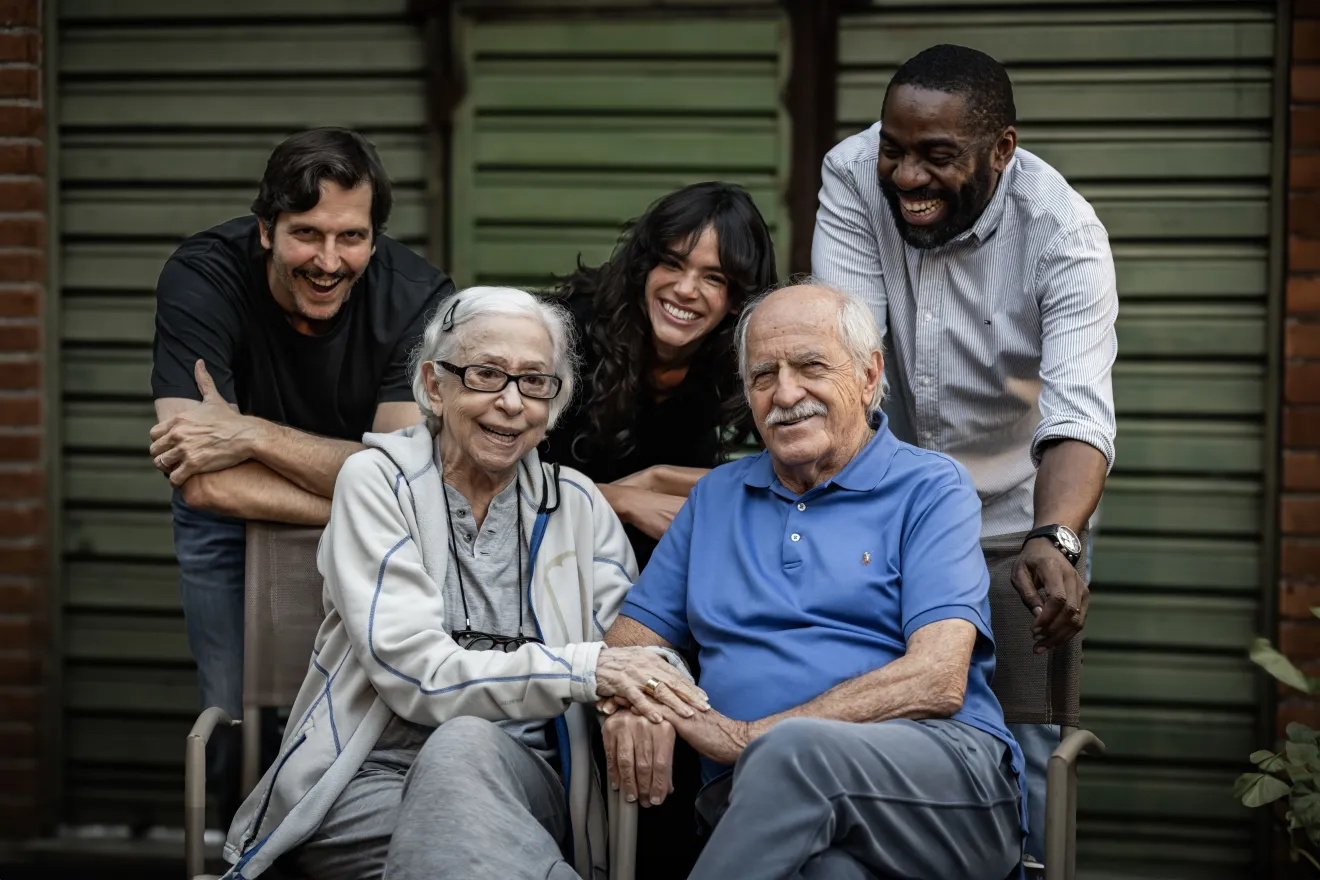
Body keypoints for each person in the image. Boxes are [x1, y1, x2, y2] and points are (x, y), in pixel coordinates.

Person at [220, 287, 709, 880]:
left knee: (467, 753)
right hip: (365, 785)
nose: (511, 402)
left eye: (535, 382)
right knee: (467, 826)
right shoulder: (376, 484)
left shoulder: (577, 505)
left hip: (521, 779)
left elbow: (638, 645)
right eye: (485, 375)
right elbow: (414, 672)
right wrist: (587, 671)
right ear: (434, 385)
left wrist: (645, 698)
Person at [599, 282, 1024, 880]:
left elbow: (938, 678)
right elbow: (628, 645)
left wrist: (747, 737)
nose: (785, 393)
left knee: (791, 754)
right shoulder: (718, 496)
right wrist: (634, 701)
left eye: (810, 366)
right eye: (763, 375)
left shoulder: (930, 488)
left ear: (869, 375)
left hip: (941, 789)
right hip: (756, 805)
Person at [811, 43, 1118, 862]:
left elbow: (1080, 415)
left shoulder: (1065, 235)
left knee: (1026, 753)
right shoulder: (850, 175)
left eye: (937, 156)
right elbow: (850, 364)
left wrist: (1056, 540)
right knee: (876, 720)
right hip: (891, 502)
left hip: (1025, 516)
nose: (907, 177)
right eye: (895, 149)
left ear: (1002, 149)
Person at [147, 127, 455, 823]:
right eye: (305, 235)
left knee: (364, 707)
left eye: (350, 237)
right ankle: (239, 848)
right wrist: (371, 487)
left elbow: (410, 486)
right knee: (237, 713)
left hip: (353, 517)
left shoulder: (418, 297)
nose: (327, 260)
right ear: (265, 229)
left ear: (374, 238)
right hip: (229, 520)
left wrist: (248, 433)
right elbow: (200, 481)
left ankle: (339, 847)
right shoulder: (203, 276)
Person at [543, 181, 778, 567]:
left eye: (713, 278)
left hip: (653, 574)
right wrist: (623, 500)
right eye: (672, 263)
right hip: (545, 556)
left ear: (737, 299)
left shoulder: (739, 359)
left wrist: (660, 477)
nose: (685, 289)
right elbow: (496, 482)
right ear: (644, 267)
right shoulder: (565, 332)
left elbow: (791, 474)